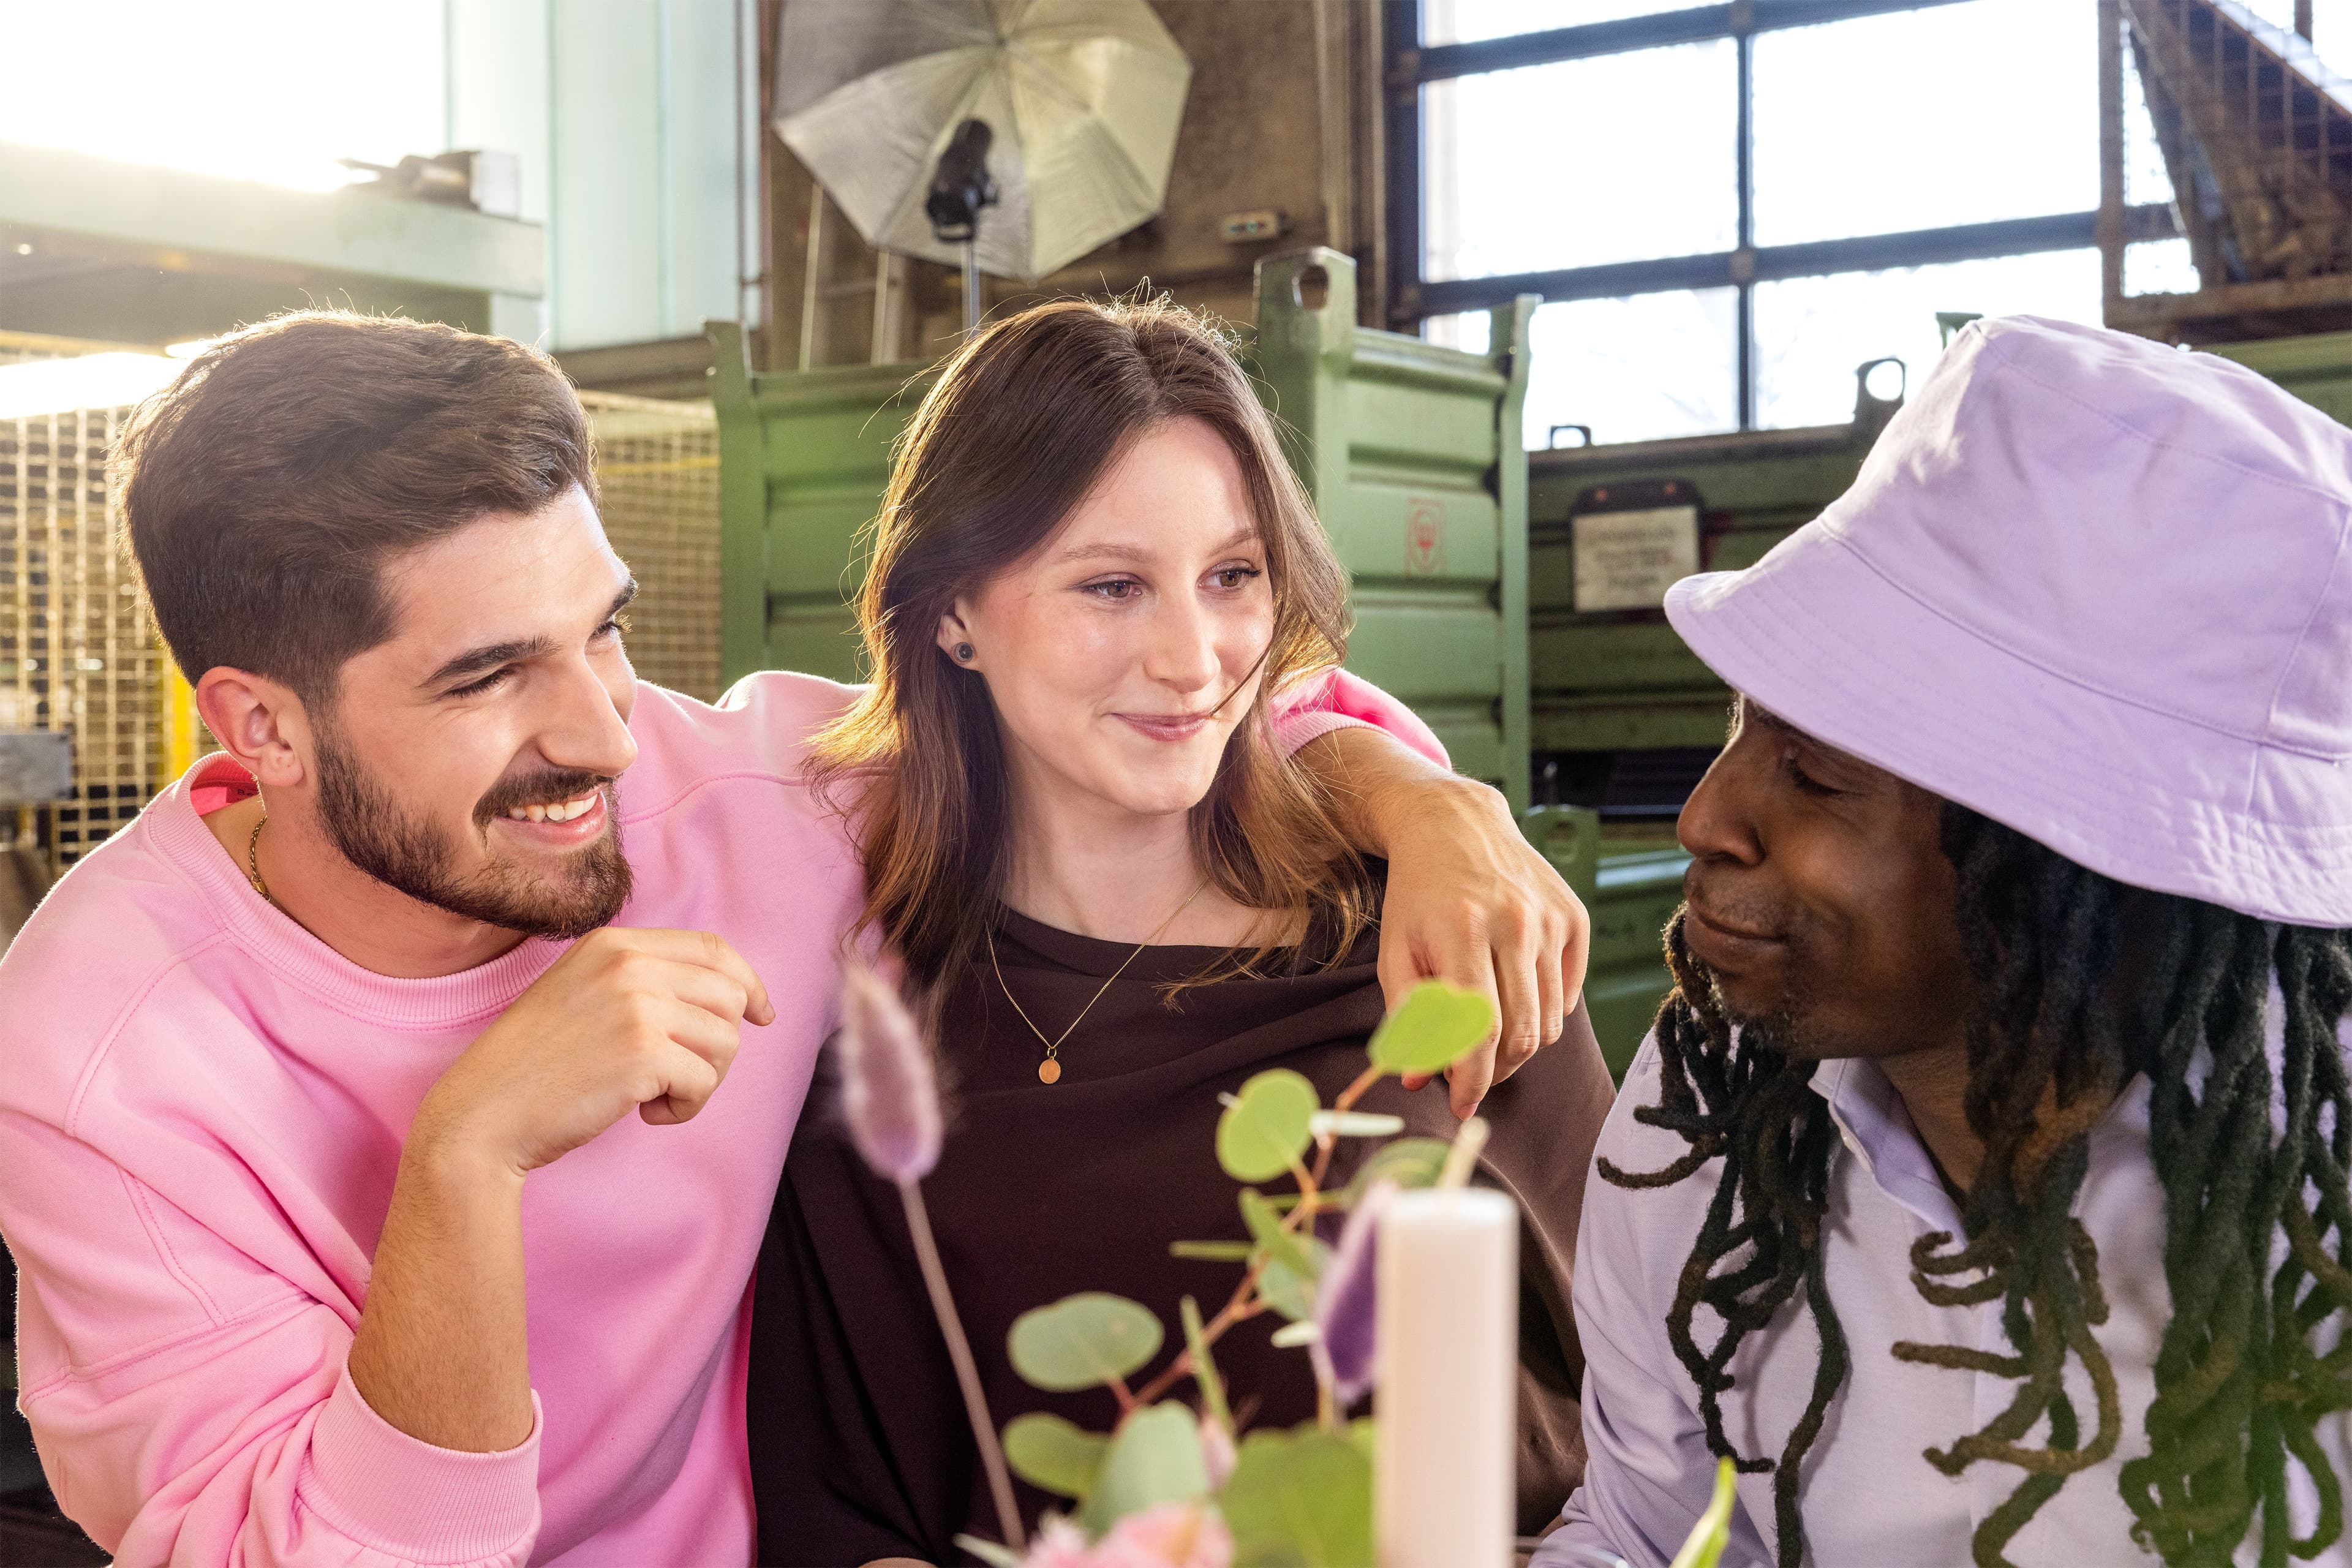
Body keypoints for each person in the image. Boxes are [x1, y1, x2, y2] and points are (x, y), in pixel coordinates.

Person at [0, 311, 1588, 1568]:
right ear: (258, 728)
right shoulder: (95, 1067)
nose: (606, 735)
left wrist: (1424, 799)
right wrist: (465, 1157)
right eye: (490, 678)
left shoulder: (744, 801)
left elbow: (1130, 706)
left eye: (605, 630)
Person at [742, 300, 1618, 1568]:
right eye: (1111, 584)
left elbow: (1648, 1418)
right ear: (952, 616)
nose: (1194, 656)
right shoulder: (872, 1049)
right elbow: (843, 1517)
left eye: (1233, 576)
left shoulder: (1436, 941)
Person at [1536, 315, 2352, 1568]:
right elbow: (1643, 1532)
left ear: (2076, 864)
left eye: (1812, 773)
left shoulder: (2314, 1191)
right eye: (1744, 723)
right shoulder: (1702, 1111)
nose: (1705, 815)